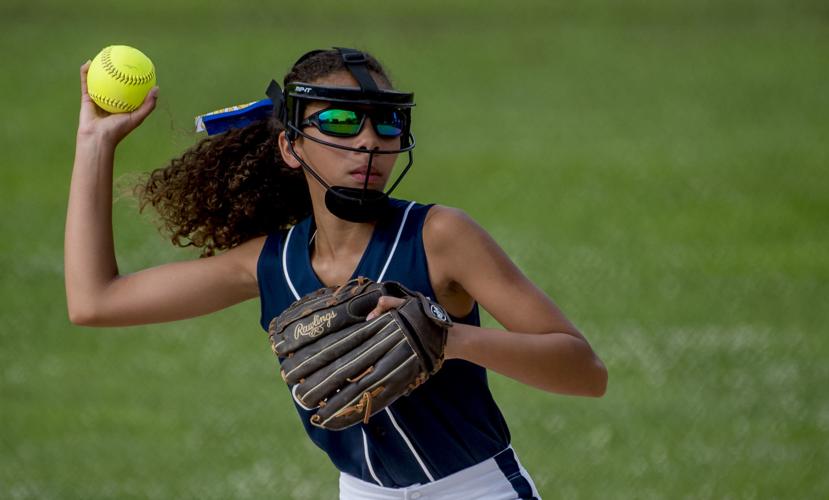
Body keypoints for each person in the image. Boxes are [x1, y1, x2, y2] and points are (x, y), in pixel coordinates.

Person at [66, 47, 608, 499]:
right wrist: (95, 143)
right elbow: (94, 302)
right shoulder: (270, 263)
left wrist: (450, 337)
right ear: (290, 145)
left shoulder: (439, 236)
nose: (369, 140)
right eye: (341, 121)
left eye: (387, 121)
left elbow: (585, 372)